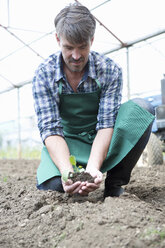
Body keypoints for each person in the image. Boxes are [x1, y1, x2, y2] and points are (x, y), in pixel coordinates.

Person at [32, 3, 154, 198]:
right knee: (55, 187)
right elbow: (50, 129)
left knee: (142, 109)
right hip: (66, 142)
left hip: (101, 139)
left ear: (92, 39)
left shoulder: (109, 70)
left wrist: (92, 169)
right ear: (57, 39)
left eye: (83, 47)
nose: (76, 56)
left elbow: (106, 124)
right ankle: (67, 177)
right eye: (68, 47)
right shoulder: (44, 75)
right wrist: (66, 172)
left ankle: (114, 184)